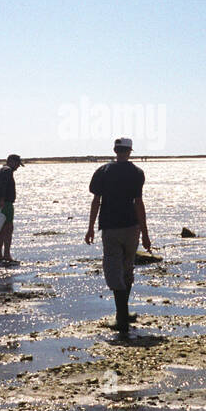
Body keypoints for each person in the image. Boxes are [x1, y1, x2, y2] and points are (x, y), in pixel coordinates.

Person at [85, 138, 151, 335]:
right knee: (126, 268)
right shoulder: (137, 173)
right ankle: (123, 313)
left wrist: (90, 228)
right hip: (131, 227)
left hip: (111, 227)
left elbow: (96, 201)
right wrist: (145, 233)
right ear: (129, 151)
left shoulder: (103, 171)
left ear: (115, 150)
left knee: (114, 271)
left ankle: (121, 318)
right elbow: (139, 203)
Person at [0, 154, 23, 265]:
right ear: (11, 161)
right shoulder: (7, 171)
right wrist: (2, 200)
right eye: (18, 164)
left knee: (1, 230)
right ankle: (7, 255)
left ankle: (0, 255)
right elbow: (2, 186)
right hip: (5, 204)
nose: (18, 167)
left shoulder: (1, 170)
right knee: (8, 229)